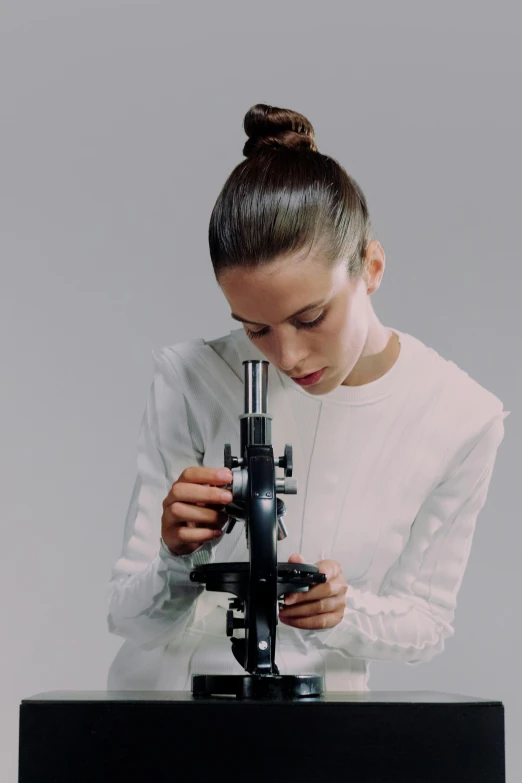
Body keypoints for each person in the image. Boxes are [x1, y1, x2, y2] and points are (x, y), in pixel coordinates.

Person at [106, 103, 510, 693]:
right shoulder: (191, 377)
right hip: (166, 719)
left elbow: (428, 621)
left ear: (371, 267)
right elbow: (126, 618)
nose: (287, 356)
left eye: (311, 316)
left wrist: (343, 614)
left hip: (327, 732)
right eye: (255, 328)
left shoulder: (462, 418)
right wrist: (173, 558)